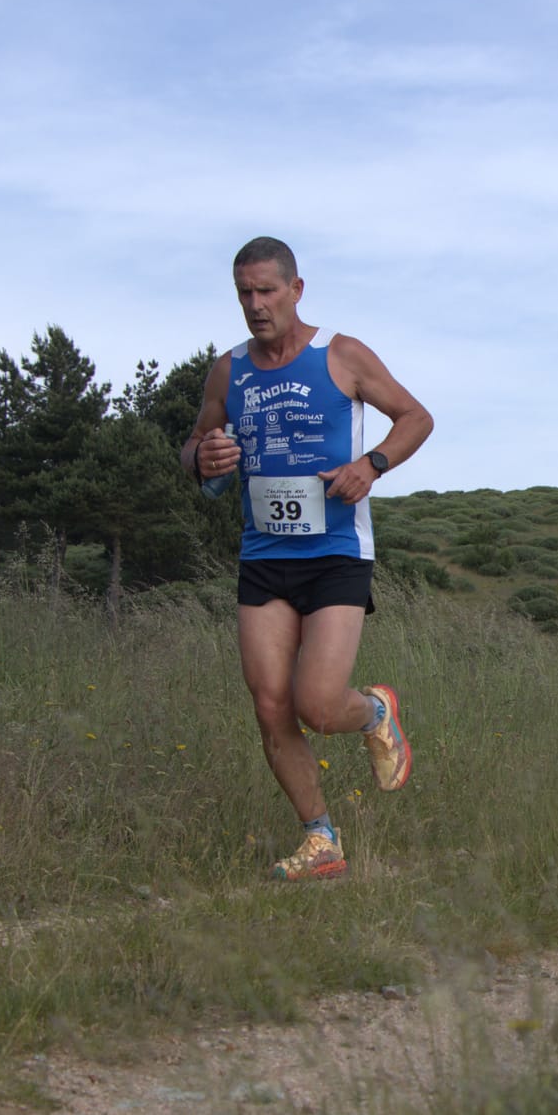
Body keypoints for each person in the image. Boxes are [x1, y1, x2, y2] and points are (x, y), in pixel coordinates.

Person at [182, 236, 434, 881]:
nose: (256, 304)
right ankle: (321, 839)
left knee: (318, 706)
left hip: (336, 552)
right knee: (270, 705)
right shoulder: (228, 370)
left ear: (297, 290)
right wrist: (203, 459)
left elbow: (414, 417)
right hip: (263, 554)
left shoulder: (340, 355)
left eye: (268, 290)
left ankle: (376, 711)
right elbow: (196, 449)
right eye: (245, 292)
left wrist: (370, 465)